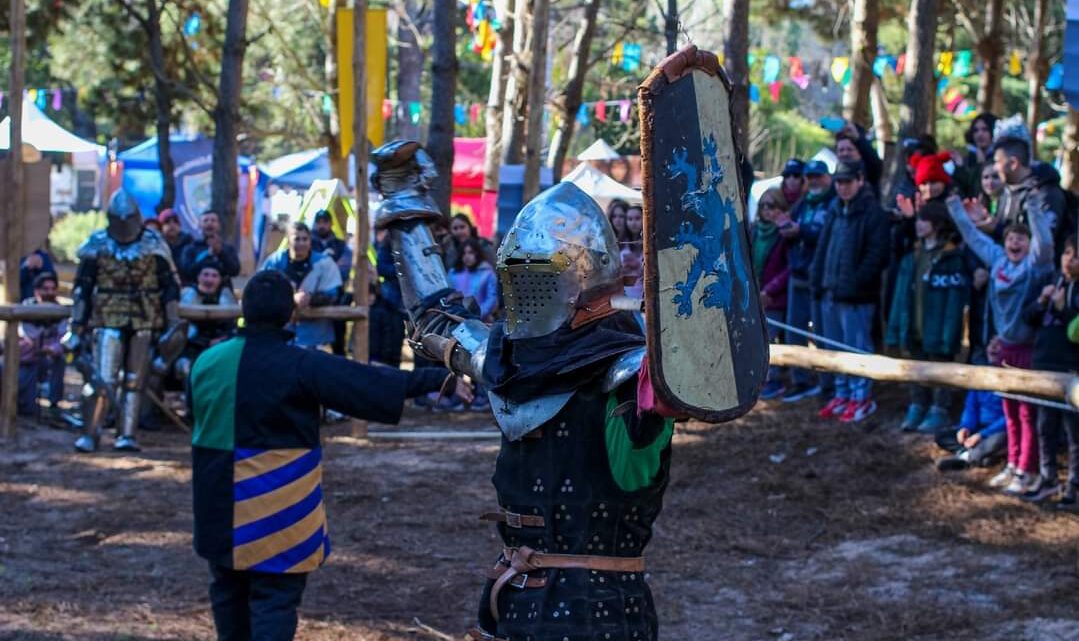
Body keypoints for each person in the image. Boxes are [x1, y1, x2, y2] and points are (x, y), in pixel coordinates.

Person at [373, 139, 677, 641]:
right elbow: (435, 317)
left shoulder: (631, 374)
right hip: (519, 605)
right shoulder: (510, 359)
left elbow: (683, 388)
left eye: (537, 279)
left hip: (600, 615)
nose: (526, 292)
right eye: (520, 278)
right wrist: (404, 203)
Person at [188, 270, 467, 641]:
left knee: (227, 594)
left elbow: (198, 419)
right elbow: (365, 384)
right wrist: (438, 379)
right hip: (279, 512)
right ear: (291, 314)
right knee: (275, 600)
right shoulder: (301, 364)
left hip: (217, 507)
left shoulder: (207, 362)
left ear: (244, 309)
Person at [947, 193, 1054, 495]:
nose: (1016, 243)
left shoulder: (1035, 266)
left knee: (1027, 412)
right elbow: (972, 236)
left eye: (1022, 238)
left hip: (1029, 349)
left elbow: (1045, 243)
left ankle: (1027, 469)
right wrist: (955, 206)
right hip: (1003, 348)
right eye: (1011, 238)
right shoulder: (997, 261)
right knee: (1009, 410)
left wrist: (1033, 206)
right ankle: (1013, 463)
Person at [64, 190, 183, 453]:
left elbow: (169, 286)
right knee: (102, 379)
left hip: (144, 318)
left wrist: (172, 322)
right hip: (107, 316)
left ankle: (127, 434)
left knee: (134, 380)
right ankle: (91, 433)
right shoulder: (97, 244)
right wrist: (76, 326)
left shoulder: (153, 243)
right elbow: (83, 287)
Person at [810, 160, 889, 423]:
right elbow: (823, 247)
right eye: (839, 182)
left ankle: (861, 397)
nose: (842, 187)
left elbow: (876, 255)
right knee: (833, 348)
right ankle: (842, 393)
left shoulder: (873, 212)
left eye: (847, 181)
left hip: (856, 297)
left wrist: (855, 284)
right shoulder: (834, 209)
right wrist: (817, 278)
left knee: (857, 348)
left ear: (860, 180)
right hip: (830, 291)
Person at [886, 202, 969, 433]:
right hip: (914, 323)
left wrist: (949, 333)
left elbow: (955, 302)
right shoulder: (912, 256)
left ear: (937, 224)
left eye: (924, 220)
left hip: (940, 328)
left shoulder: (952, 258)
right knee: (916, 365)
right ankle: (917, 404)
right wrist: (896, 328)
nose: (919, 224)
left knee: (940, 367)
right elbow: (901, 296)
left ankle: (939, 408)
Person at [1020, 235, 1079, 505]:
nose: (1070, 260)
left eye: (1076, 256)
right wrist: (1042, 303)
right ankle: (1048, 478)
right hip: (1043, 364)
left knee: (1073, 433)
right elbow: (1028, 317)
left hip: (1070, 368)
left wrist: (1062, 309)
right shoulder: (1052, 279)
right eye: (1067, 253)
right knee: (1045, 426)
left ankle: (1074, 486)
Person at [781, 160, 834, 402]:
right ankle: (800, 380)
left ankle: (827, 383)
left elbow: (827, 236)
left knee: (823, 333)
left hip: (820, 276)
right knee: (795, 331)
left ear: (827, 177)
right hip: (798, 272)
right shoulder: (802, 203)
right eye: (809, 176)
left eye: (818, 176)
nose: (813, 180)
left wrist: (800, 231)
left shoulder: (832, 202)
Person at [992, 116, 1072, 257]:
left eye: (997, 161)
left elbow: (1043, 241)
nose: (994, 168)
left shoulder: (1046, 194)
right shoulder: (1007, 192)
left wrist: (995, 228)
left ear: (1013, 163)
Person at [259, 222, 342, 351]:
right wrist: (290, 299)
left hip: (316, 337)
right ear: (288, 240)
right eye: (297, 239)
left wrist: (311, 299)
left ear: (310, 240)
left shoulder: (325, 263)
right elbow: (262, 291)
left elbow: (333, 295)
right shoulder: (274, 262)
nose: (301, 243)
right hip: (281, 336)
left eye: (305, 239)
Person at [754, 188, 791, 400]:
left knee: (772, 339)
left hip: (775, 297)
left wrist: (770, 290)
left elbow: (789, 268)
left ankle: (774, 379)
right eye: (763, 206)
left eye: (772, 205)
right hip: (756, 293)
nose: (767, 210)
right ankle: (761, 379)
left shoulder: (785, 233)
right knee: (758, 338)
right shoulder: (755, 230)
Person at [14, 273, 67, 418]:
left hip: (49, 357)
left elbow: (63, 337)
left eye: (53, 289)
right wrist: (44, 345)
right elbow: (28, 336)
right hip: (27, 359)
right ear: (37, 291)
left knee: (60, 360)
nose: (50, 292)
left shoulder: (60, 311)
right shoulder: (26, 308)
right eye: (45, 289)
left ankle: (54, 404)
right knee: (27, 409)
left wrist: (52, 348)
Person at [174, 262, 237, 381]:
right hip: (191, 348)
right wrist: (204, 342)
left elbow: (231, 327)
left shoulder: (225, 297)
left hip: (220, 348)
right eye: (206, 275)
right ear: (198, 277)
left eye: (214, 275)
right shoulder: (188, 295)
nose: (209, 279)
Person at [310, 209, 353, 355]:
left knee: (338, 345)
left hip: (336, 300)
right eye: (319, 222)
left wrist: (325, 268)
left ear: (331, 224)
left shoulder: (340, 245)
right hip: (311, 299)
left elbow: (344, 270)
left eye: (325, 222)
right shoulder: (307, 243)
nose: (322, 225)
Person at [935, 389, 1007, 472]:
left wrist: (982, 434)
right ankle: (975, 455)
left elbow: (1007, 419)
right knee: (942, 436)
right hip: (977, 428)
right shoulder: (978, 386)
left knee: (999, 439)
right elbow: (970, 408)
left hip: (996, 431)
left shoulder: (1006, 389)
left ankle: (967, 458)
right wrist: (966, 427)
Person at [180, 210, 242, 285]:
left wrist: (221, 253)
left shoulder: (228, 248)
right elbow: (187, 272)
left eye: (213, 220)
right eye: (205, 221)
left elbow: (235, 271)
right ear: (199, 225)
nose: (209, 223)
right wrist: (207, 255)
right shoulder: (190, 248)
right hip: (196, 289)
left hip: (223, 290)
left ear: (219, 225)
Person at [449, 237, 499, 323]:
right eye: (464, 253)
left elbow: (491, 298)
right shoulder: (453, 273)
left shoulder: (487, 273)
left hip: (483, 321)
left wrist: (477, 314)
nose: (467, 256)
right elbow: (449, 294)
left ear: (477, 253)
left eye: (470, 252)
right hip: (455, 319)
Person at [952, 113, 998, 198]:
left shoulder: (999, 159)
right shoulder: (967, 159)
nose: (980, 134)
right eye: (976, 130)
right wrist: (960, 168)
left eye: (985, 130)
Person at [835, 122, 883, 194]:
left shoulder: (869, 172)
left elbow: (874, 163)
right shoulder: (835, 175)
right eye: (841, 150)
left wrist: (858, 138)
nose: (845, 153)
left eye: (849, 149)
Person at [620, 204, 645, 298]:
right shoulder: (622, 242)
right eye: (630, 219)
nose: (633, 223)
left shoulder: (652, 243)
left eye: (637, 218)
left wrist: (638, 265)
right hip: (625, 295)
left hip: (644, 297)